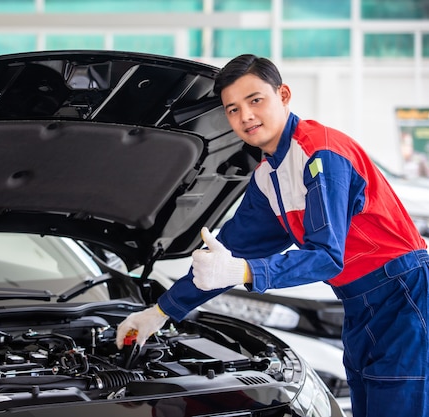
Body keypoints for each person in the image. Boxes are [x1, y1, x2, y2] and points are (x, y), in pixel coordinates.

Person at [115, 54, 429, 417]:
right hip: (359, 305)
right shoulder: (269, 177)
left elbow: (327, 257)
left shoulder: (319, 153)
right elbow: (228, 252)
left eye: (255, 100)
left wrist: (245, 271)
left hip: (403, 296)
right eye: (232, 109)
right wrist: (160, 312)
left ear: (283, 94)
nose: (245, 116)